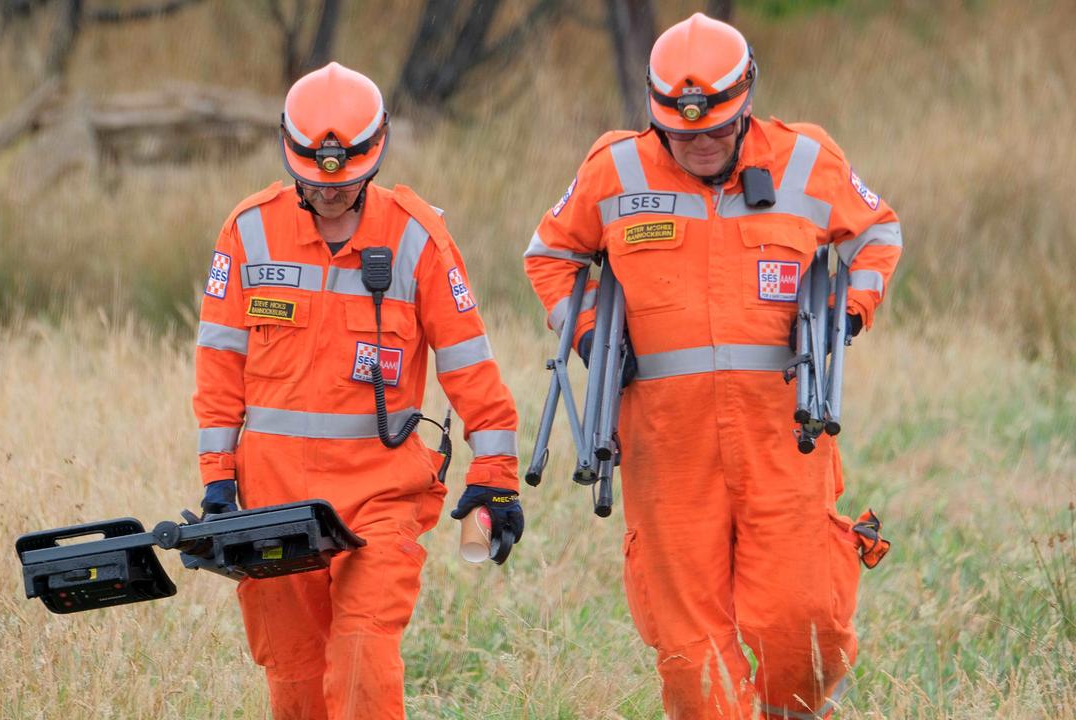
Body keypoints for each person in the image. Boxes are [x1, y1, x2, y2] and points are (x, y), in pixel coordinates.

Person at [523, 13, 901, 720]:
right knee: (689, 644)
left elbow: (878, 231)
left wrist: (851, 311)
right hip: (665, 444)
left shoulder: (805, 157)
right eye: (682, 132)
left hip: (783, 431)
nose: (699, 144)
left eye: (716, 130)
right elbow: (549, 257)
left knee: (804, 620)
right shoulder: (614, 168)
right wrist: (586, 337)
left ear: (746, 98)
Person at [192, 62, 523, 720]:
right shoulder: (249, 231)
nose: (330, 192)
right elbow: (219, 364)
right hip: (272, 501)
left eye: (344, 181)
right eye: (315, 180)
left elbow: (468, 363)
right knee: (293, 679)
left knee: (363, 658)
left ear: (375, 155)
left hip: (380, 498)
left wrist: (496, 472)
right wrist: (217, 482)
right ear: (293, 157)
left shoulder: (415, 237)